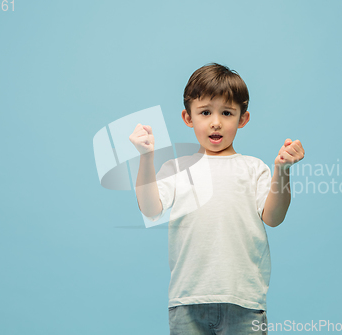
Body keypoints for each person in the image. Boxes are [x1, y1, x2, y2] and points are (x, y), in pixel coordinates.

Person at [129, 63, 305, 334]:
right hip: (187, 301)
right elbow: (151, 208)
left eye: (227, 112)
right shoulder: (177, 168)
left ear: (242, 119)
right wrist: (145, 157)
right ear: (188, 117)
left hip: (244, 301)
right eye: (205, 112)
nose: (216, 122)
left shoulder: (254, 168)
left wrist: (282, 170)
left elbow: (274, 217)